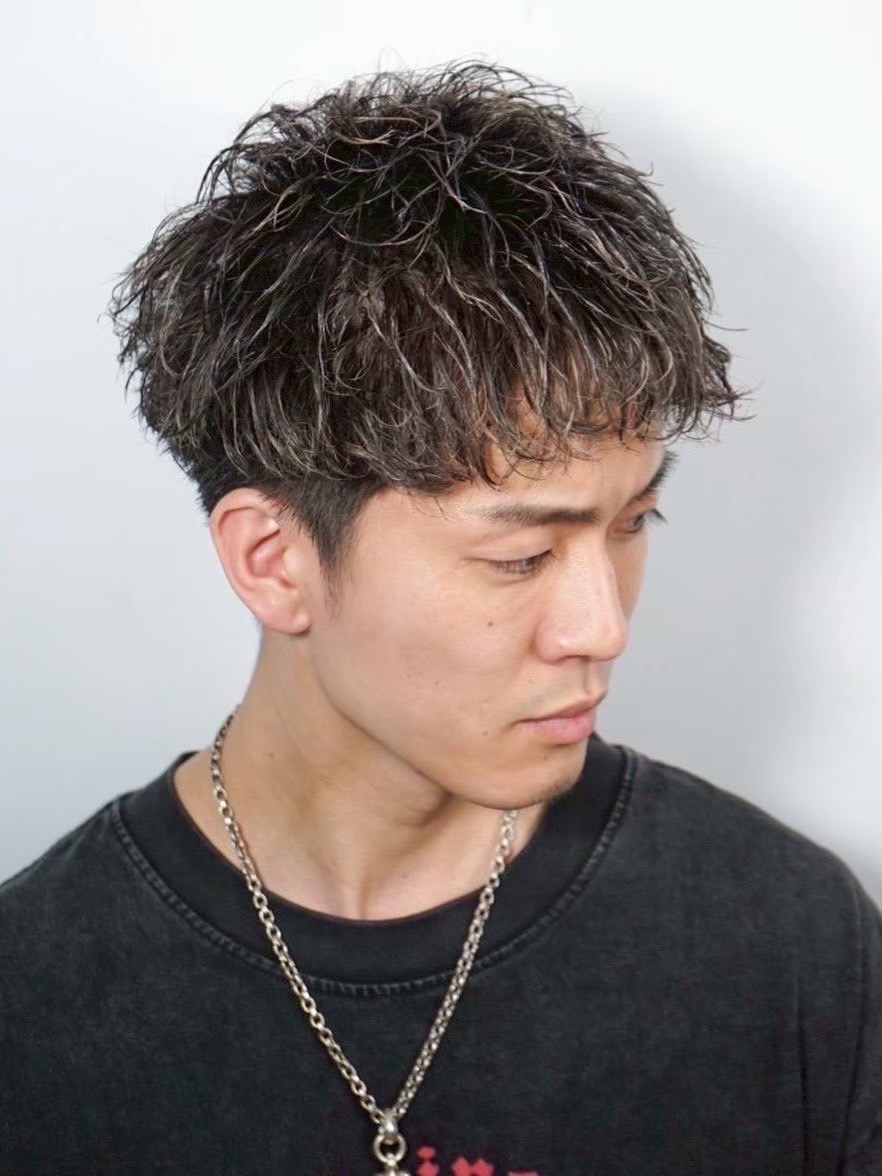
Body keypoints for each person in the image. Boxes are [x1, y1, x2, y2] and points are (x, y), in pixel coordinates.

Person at [0, 61, 878, 1176]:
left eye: (632, 523)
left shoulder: (786, 946)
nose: (601, 627)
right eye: (521, 557)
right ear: (274, 561)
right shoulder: (35, 1008)